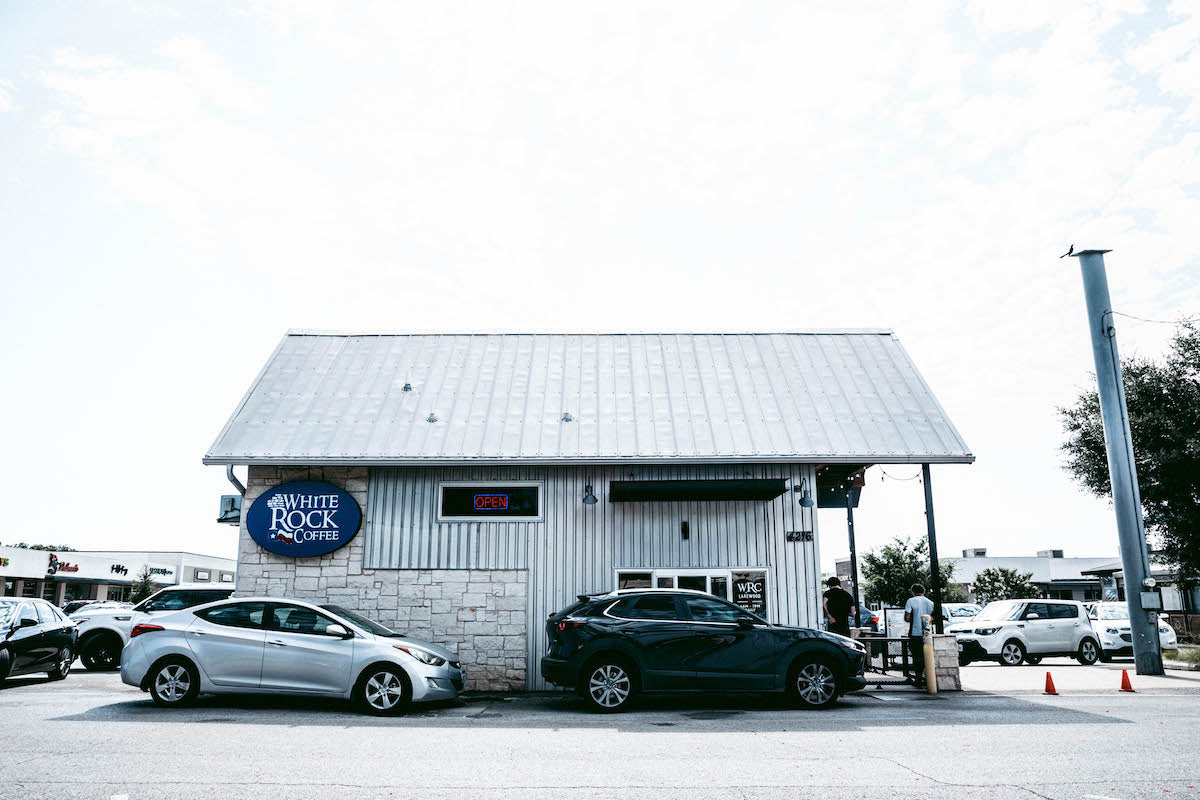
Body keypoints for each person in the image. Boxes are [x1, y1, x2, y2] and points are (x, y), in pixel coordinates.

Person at [904, 583, 935, 688]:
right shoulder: (930, 603)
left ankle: (918, 679)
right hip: (927, 633)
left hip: (915, 632)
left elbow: (907, 618)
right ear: (924, 591)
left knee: (916, 656)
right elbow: (932, 617)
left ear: (913, 592)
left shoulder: (910, 601)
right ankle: (928, 679)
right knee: (927, 656)